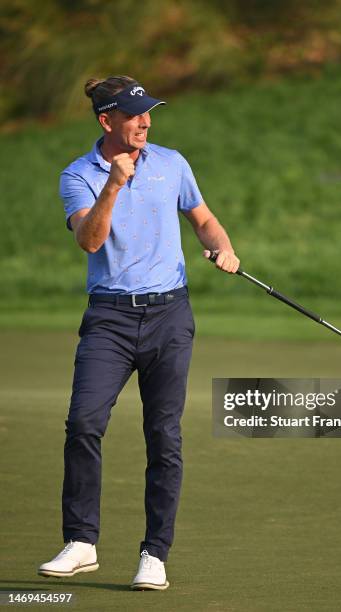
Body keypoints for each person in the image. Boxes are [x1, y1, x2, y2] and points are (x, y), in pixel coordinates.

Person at [37, 75, 239, 590]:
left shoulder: (172, 163)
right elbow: (89, 240)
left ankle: (154, 554)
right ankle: (82, 542)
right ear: (107, 121)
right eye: (135, 114)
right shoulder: (77, 175)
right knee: (84, 422)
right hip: (110, 319)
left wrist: (222, 246)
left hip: (170, 315)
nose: (146, 121)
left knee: (163, 436)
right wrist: (113, 185)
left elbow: (204, 218)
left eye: (149, 112)